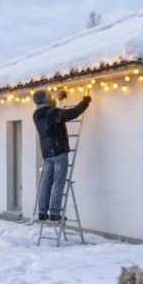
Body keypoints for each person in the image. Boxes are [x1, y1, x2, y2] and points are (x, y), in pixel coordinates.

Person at [32, 88, 90, 221]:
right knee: (59, 182)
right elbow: (71, 114)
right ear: (46, 99)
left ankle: (42, 212)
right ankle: (54, 213)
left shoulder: (36, 114)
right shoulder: (53, 113)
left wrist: (60, 99)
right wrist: (85, 102)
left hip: (47, 154)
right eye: (50, 96)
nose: (52, 98)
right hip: (59, 151)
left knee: (46, 183)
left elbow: (53, 113)